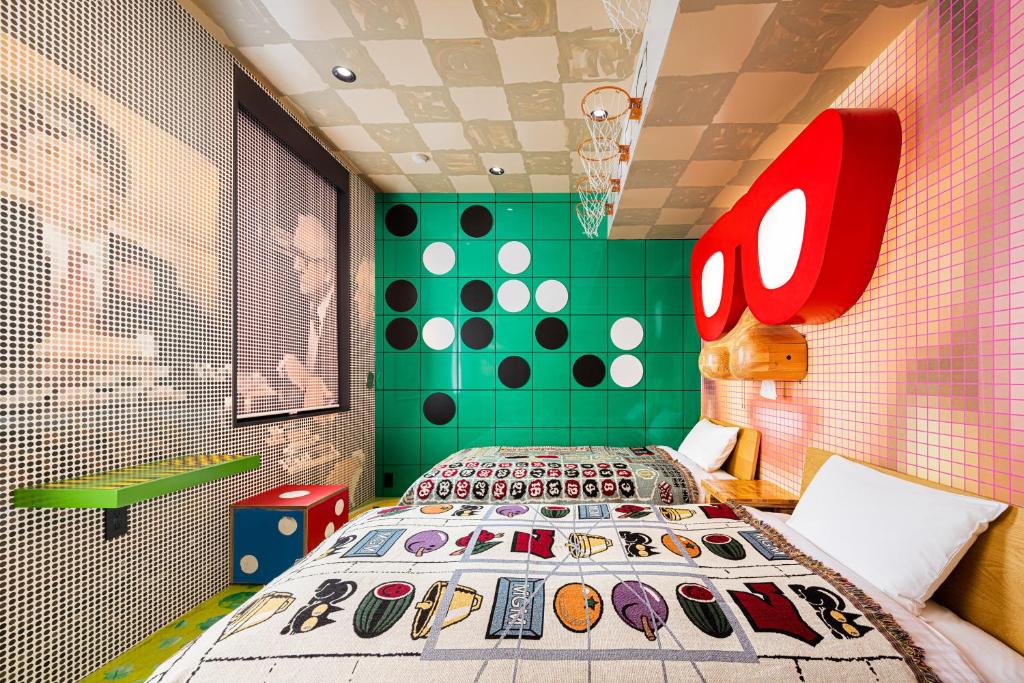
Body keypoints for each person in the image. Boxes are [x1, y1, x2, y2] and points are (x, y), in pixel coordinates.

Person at [1, 87, 204, 397]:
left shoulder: (147, 264)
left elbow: (205, 339)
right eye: (50, 155)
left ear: (113, 185)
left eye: (87, 165)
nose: (76, 179)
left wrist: (136, 346)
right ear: (22, 167)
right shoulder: (9, 234)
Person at [278, 212, 338, 410]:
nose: (296, 266)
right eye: (295, 254)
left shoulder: (348, 318)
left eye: (304, 258)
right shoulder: (295, 308)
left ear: (327, 267)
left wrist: (309, 381)